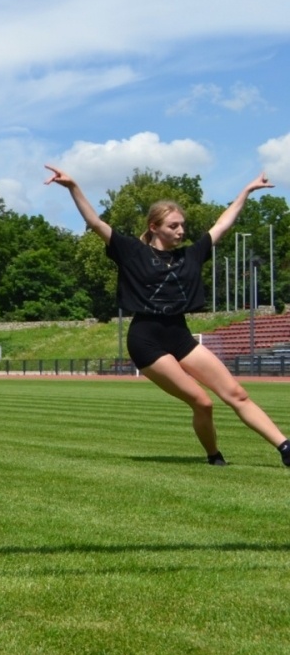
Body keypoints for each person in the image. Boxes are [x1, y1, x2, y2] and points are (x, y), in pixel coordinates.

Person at [46, 164, 290, 468]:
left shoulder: (190, 254)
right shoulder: (132, 251)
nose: (181, 231)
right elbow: (95, 222)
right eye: (174, 226)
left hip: (180, 335)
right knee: (202, 401)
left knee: (237, 393)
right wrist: (73, 187)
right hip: (146, 340)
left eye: (182, 225)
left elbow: (222, 225)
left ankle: (284, 448)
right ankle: (214, 455)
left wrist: (246, 191)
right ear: (154, 227)